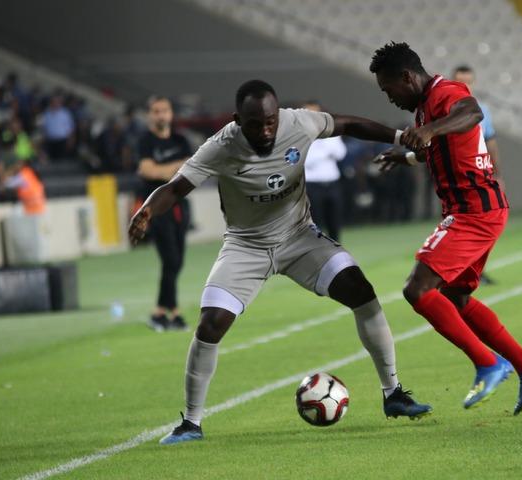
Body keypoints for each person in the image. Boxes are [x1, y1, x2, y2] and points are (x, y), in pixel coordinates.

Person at [129, 80, 432, 445]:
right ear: (239, 120)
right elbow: (176, 187)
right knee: (211, 325)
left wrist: (400, 136)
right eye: (257, 123)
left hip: (299, 238)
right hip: (246, 246)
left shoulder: (297, 122)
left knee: (362, 294)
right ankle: (190, 423)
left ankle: (393, 394)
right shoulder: (221, 146)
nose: (266, 129)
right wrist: (147, 211)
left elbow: (348, 124)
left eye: (271, 120)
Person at [370, 42, 522, 415]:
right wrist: (407, 155)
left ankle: (488, 363)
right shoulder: (424, 109)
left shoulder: (446, 93)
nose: (389, 98)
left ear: (407, 77)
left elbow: (471, 113)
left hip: (474, 212)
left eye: (389, 89)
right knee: (454, 299)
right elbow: (433, 147)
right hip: (474, 210)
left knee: (417, 290)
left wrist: (431, 129)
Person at [136, 96, 193, 332]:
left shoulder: (181, 140)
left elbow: (191, 168)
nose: (161, 115)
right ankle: (169, 312)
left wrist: (164, 170)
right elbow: (146, 170)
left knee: (177, 260)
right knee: (171, 259)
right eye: (156, 111)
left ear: (170, 113)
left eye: (165, 110)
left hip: (180, 206)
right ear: (150, 114)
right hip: (157, 207)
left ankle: (164, 312)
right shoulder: (145, 141)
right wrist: (173, 169)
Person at [452, 65, 500, 284]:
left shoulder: (483, 110)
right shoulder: (446, 109)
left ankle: (476, 270)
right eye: (461, 81)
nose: (466, 86)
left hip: (481, 175)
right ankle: (459, 270)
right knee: (457, 223)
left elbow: (490, 141)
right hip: (455, 177)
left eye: (469, 81)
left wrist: (498, 173)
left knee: (484, 222)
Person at [302, 100, 346, 241]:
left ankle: (337, 255)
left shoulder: (330, 130)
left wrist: (320, 152)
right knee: (315, 223)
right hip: (312, 185)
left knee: (334, 223)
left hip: (332, 184)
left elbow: (340, 153)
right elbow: (307, 161)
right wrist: (326, 152)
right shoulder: (301, 134)